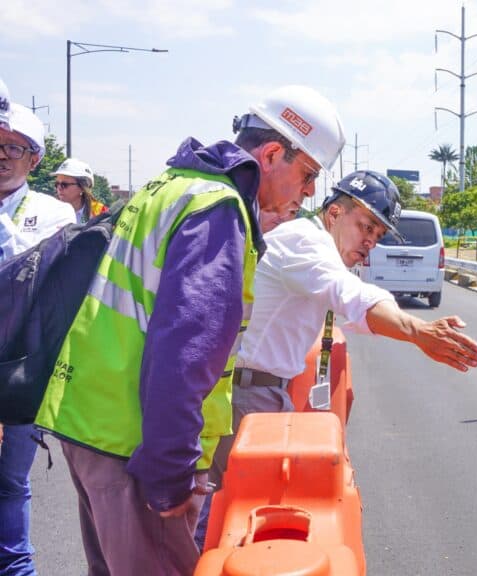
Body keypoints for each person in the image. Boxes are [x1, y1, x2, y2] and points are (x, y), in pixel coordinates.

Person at [33, 85, 346, 576]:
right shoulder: (218, 210)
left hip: (92, 426)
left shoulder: (171, 184)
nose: (308, 191)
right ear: (270, 153)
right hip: (135, 447)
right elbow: (185, 352)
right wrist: (170, 474)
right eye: (307, 175)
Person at [194, 170, 477, 547]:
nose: (370, 243)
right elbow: (351, 294)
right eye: (366, 227)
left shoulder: (310, 249)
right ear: (334, 213)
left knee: (235, 516)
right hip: (248, 399)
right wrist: (417, 331)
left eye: (378, 236)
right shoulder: (305, 242)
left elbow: (354, 314)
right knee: (224, 520)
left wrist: (411, 329)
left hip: (259, 394)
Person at [0, 101, 76, 576]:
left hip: (18, 372)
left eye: (13, 147)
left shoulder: (51, 213)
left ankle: (17, 568)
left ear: (35, 160)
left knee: (9, 482)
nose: (2, 156)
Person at [52, 158, 107, 223]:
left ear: (82, 188)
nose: (59, 188)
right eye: (57, 184)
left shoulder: (100, 213)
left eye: (64, 184)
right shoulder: (49, 211)